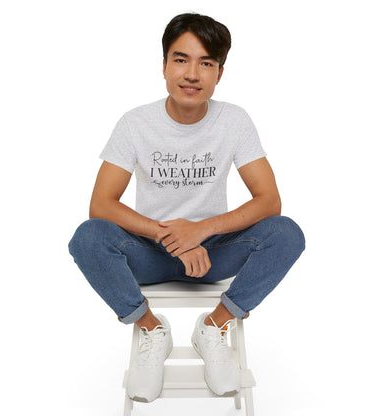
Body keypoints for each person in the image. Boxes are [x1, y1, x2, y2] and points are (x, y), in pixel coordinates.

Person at [68, 13, 305, 403]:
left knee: (286, 233)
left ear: (219, 74)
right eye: (181, 60)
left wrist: (202, 229)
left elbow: (269, 201)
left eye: (206, 63)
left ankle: (213, 326)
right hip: (150, 253)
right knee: (88, 238)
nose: (192, 74)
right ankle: (151, 329)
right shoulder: (135, 123)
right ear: (164, 66)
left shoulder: (234, 120)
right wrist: (172, 236)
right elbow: (101, 204)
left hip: (213, 255)